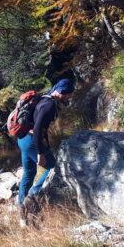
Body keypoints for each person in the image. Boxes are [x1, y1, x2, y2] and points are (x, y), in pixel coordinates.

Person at [17, 78, 74, 211]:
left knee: (29, 172)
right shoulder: (49, 105)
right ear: (61, 92)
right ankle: (32, 195)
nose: (68, 97)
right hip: (32, 140)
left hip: (22, 139)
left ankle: (21, 206)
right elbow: (37, 129)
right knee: (52, 167)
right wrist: (40, 153)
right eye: (68, 94)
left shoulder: (44, 98)